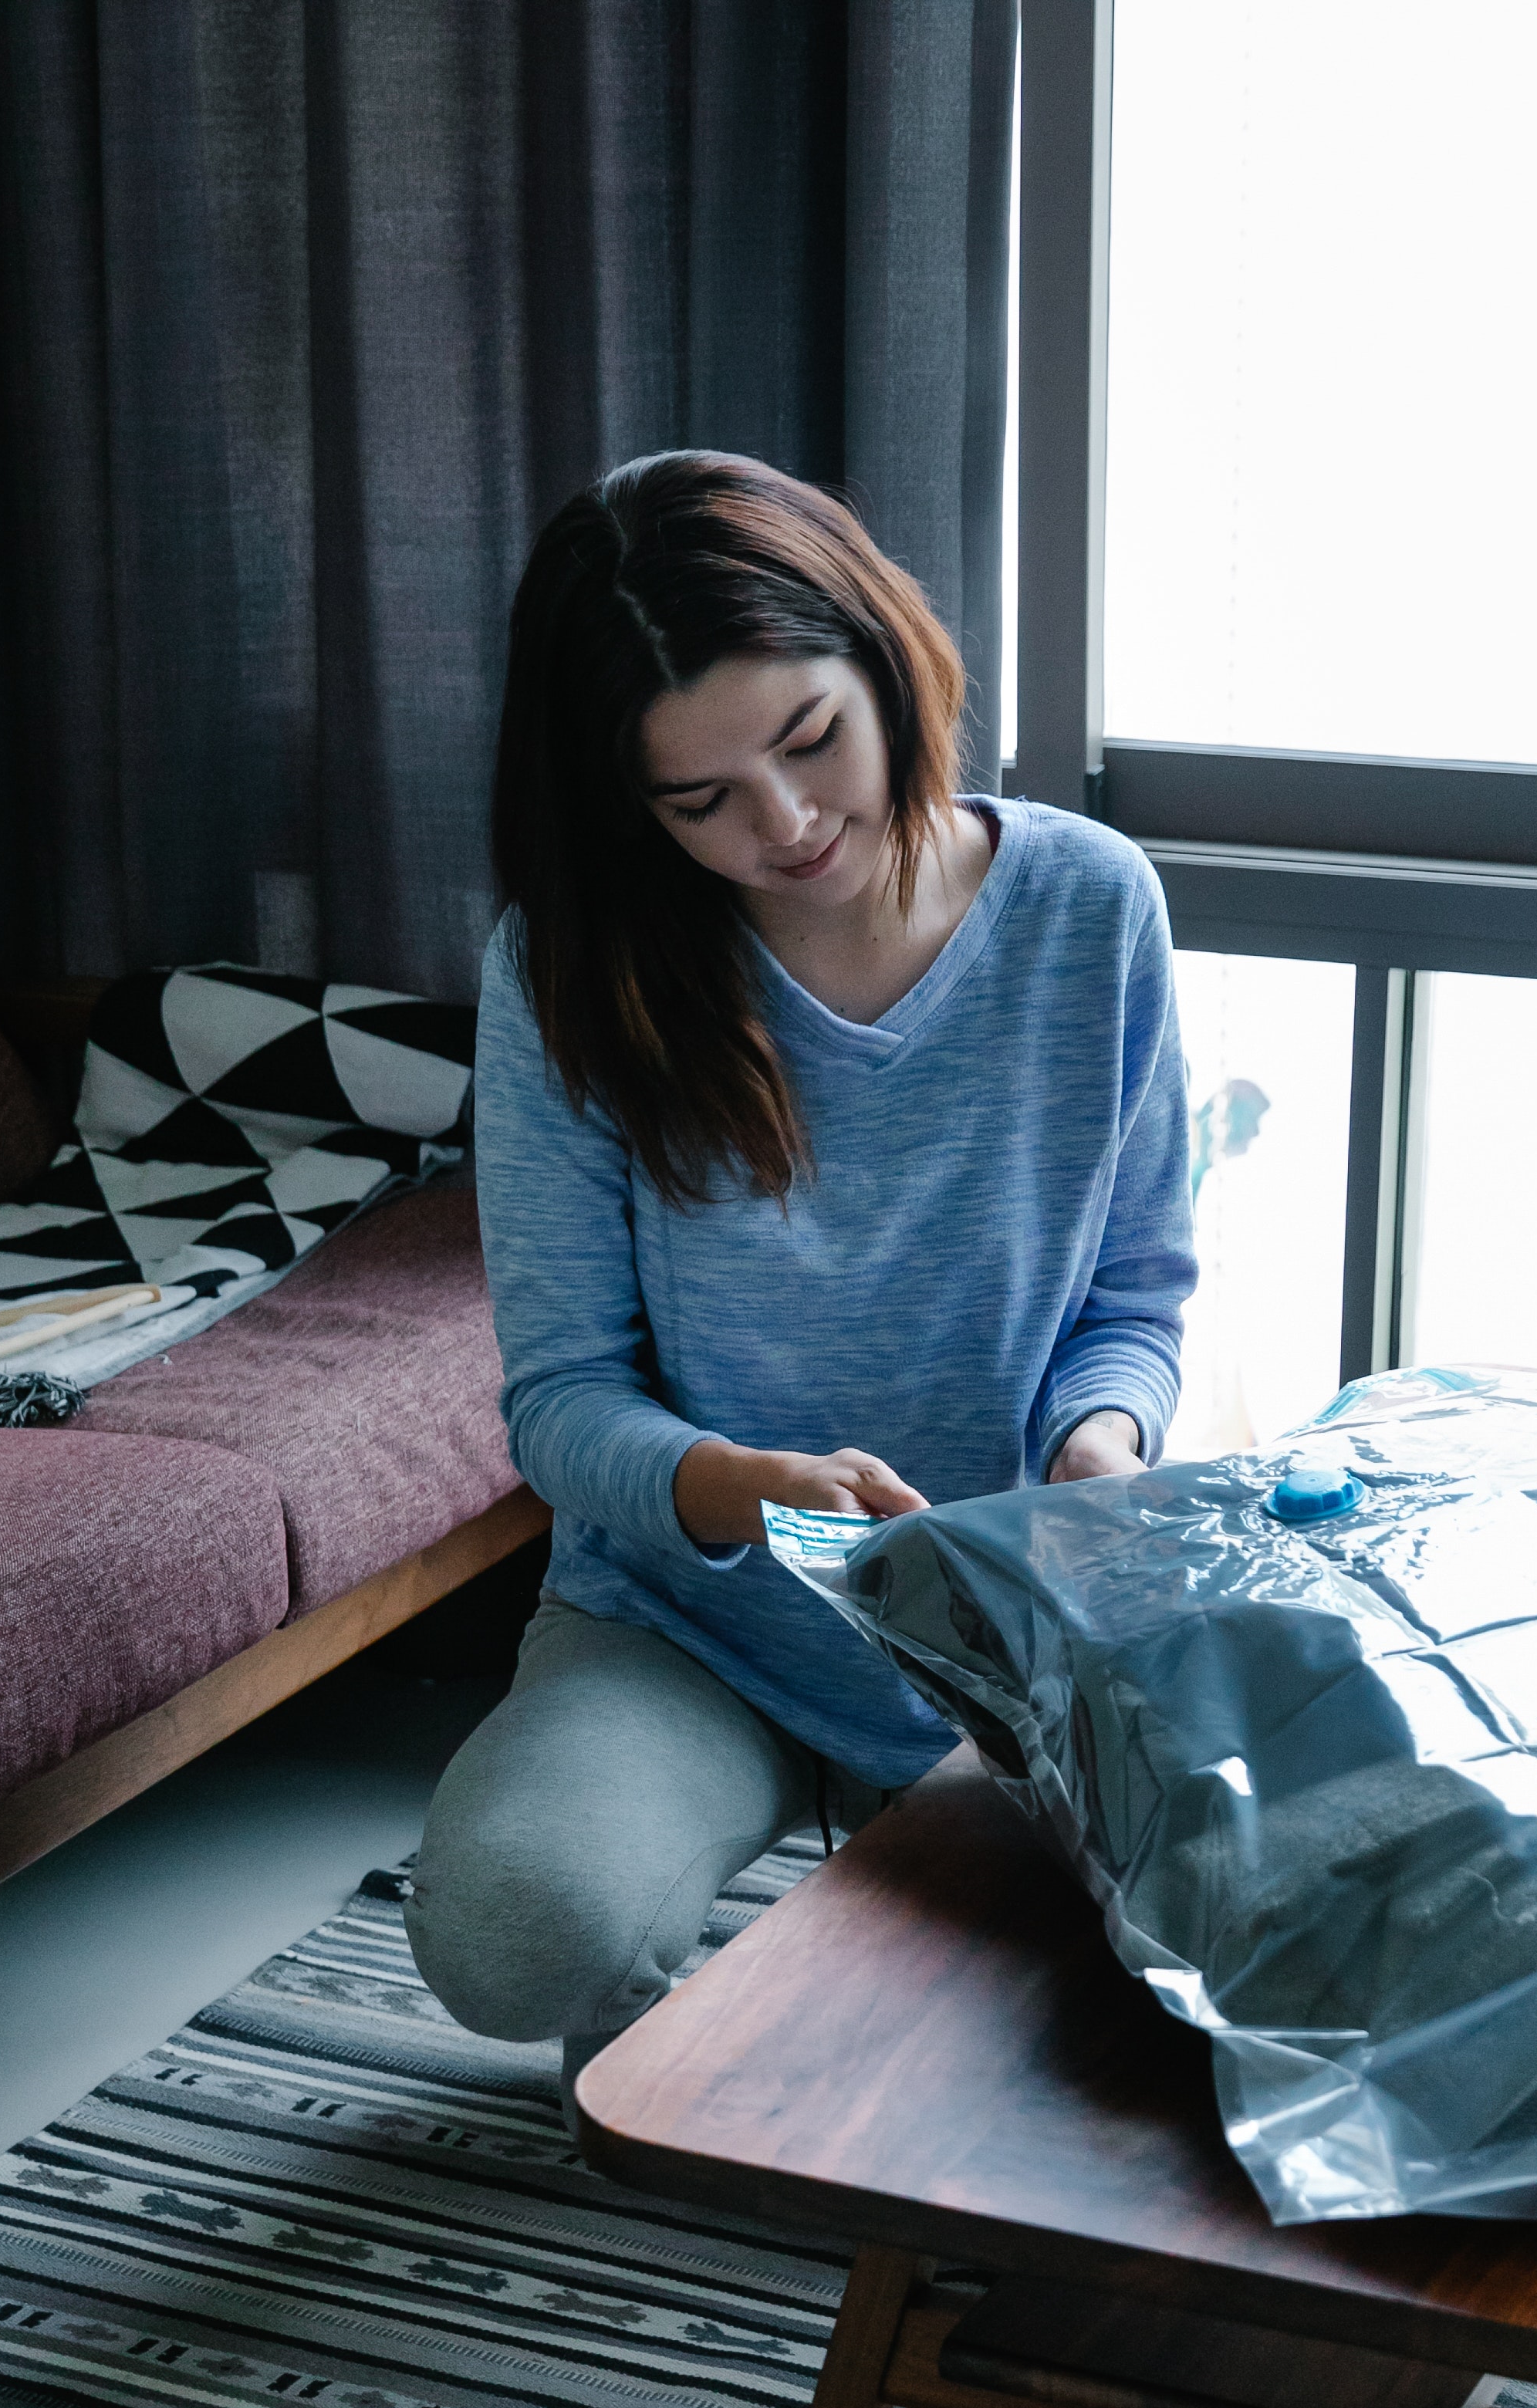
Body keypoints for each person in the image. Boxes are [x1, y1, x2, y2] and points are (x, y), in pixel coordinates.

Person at [405, 450, 1196, 2089]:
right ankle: (673, 1995)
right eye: (697, 801)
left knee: (1234, 1948)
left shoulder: (1087, 905)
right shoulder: (569, 971)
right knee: (511, 1929)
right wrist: (740, 1490)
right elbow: (562, 1401)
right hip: (694, 1632)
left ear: (888, 660)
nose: (783, 826)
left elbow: (1131, 1299)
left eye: (811, 738)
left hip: (1013, 1624)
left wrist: (1098, 1449)